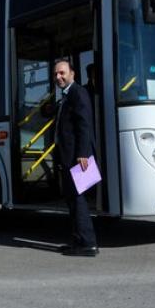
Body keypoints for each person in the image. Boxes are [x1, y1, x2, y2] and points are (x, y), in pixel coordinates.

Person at [54, 59, 99, 257]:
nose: (58, 77)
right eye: (56, 74)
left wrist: (83, 153)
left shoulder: (77, 92)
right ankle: (78, 241)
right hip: (69, 156)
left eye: (62, 73)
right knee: (72, 200)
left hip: (76, 157)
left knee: (78, 200)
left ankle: (88, 243)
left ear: (72, 73)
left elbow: (84, 125)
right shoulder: (66, 95)